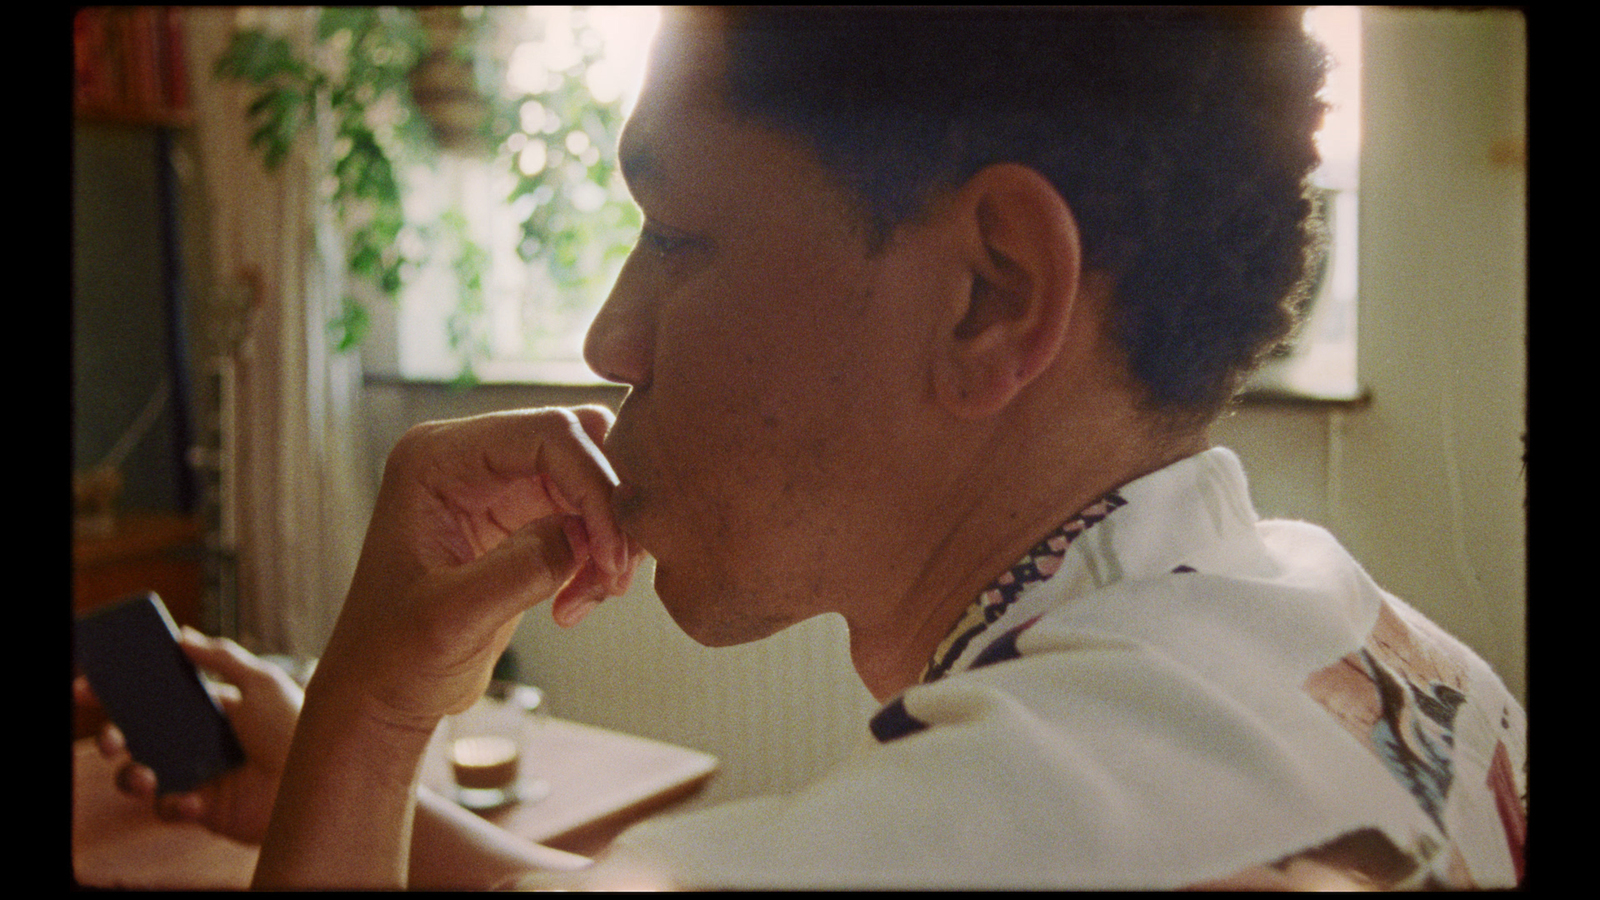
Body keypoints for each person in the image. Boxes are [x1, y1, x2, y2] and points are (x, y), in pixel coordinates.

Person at [82, 6, 1526, 890]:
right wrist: (369, 790)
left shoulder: (959, 843)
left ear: (990, 293)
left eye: (675, 236)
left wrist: (371, 714)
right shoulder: (1381, 643)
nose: (608, 339)